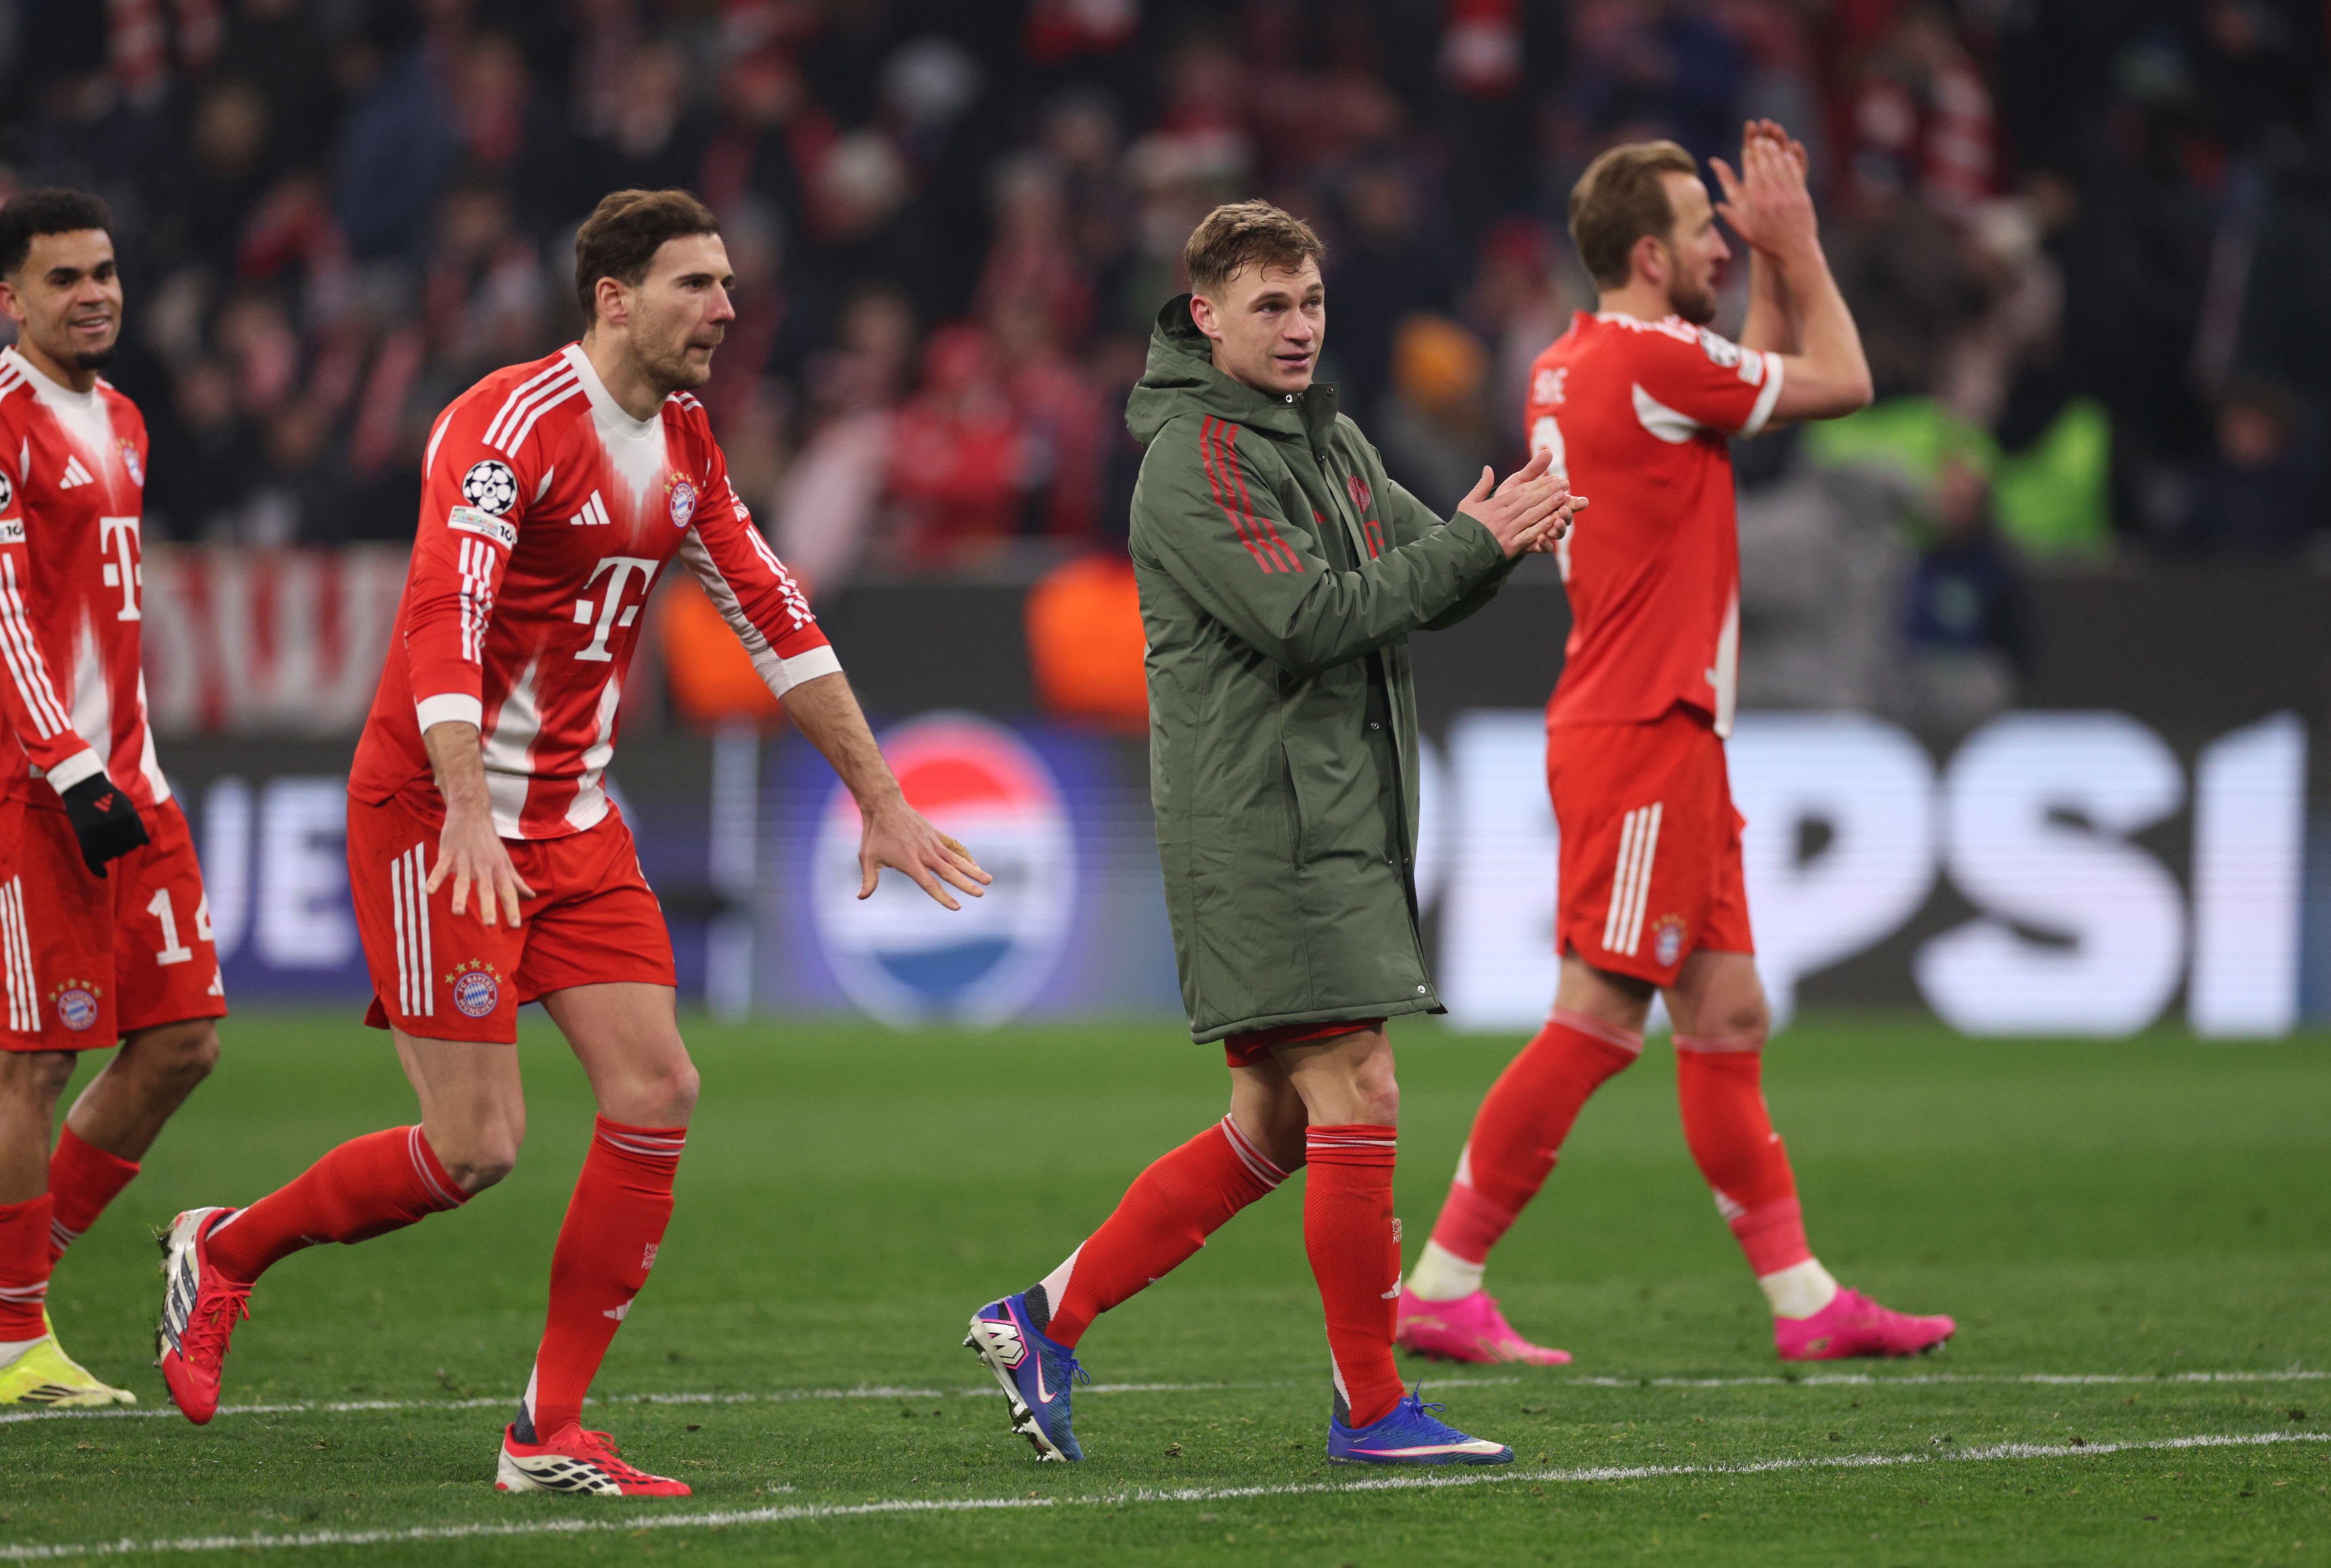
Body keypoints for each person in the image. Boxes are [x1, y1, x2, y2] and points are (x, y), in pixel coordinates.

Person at [154, 189, 989, 1494]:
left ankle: (545, 1431)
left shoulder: (691, 445)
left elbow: (774, 614)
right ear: (613, 297)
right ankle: (224, 1251)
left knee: (659, 1091)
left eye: (726, 285)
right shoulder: (505, 428)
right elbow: (445, 616)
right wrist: (471, 808)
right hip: (440, 815)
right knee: (473, 1149)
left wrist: (879, 792)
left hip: (575, 817)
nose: (724, 309)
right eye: (694, 286)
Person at [963, 201, 1582, 1467]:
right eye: (1269, 308)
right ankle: (1370, 1409)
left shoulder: (1330, 436)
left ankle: (1043, 1319)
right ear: (1205, 316)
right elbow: (1307, 619)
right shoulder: (1196, 458)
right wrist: (1471, 541)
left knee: (1277, 1125)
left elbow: (1423, 577)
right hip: (1262, 826)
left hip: (1326, 814)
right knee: (1357, 1084)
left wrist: (1496, 533)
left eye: (1308, 304)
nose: (1299, 329)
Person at [1398, 126, 1956, 1366]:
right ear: (1650, 254)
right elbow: (1843, 381)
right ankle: (1441, 1279)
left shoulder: (1581, 359)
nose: (1724, 242)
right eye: (1704, 231)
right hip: (1642, 729)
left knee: (1729, 1012)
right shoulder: (1649, 359)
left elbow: (1729, 378)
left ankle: (1805, 1301)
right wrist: (1797, 246)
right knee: (1597, 1019)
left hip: (1654, 729)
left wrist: (1756, 264)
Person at [0, 190, 226, 1409]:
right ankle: (12, 1338)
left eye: (104, 272)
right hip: (40, 794)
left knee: (183, 1041)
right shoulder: (1, 423)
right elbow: (2, 613)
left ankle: (15, 1279)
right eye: (62, 278)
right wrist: (66, 762)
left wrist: (118, 767)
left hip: (133, 784)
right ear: (10, 301)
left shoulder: (127, 420)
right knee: (33, 1062)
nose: (93, 292)